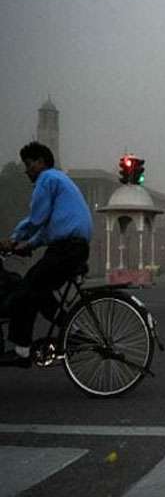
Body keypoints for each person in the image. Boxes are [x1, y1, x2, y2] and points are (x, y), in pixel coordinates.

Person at [0, 142, 93, 367]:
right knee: (41, 294)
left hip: (65, 249)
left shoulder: (47, 179)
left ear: (41, 162)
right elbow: (48, 228)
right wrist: (28, 245)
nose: (27, 170)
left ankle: (21, 351)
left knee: (25, 290)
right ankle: (76, 332)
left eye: (29, 164)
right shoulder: (60, 181)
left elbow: (36, 219)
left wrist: (13, 240)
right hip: (74, 248)